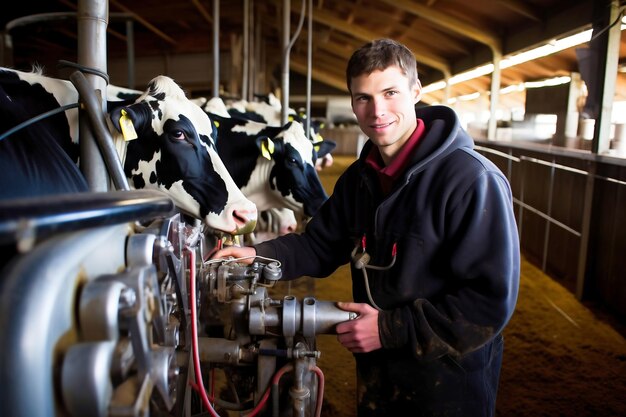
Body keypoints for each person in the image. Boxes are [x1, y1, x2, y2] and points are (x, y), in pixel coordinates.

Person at [213, 38, 520, 417]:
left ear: (416, 91)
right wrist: (258, 253)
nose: (377, 110)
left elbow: (487, 303)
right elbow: (320, 245)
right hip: (380, 377)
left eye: (390, 92)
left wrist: (390, 329)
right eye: (363, 98)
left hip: (446, 382)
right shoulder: (361, 178)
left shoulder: (470, 180)